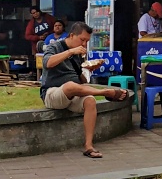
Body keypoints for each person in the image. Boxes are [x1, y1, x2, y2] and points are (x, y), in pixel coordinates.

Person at [41, 22, 130, 159]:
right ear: (71, 35)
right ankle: (105, 92)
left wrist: (89, 70)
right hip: (53, 93)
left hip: (73, 94)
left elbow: (81, 81)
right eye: (82, 40)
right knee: (69, 85)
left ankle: (89, 146)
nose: (84, 44)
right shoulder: (55, 47)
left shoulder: (79, 55)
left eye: (87, 41)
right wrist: (70, 51)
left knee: (89, 100)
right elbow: (47, 63)